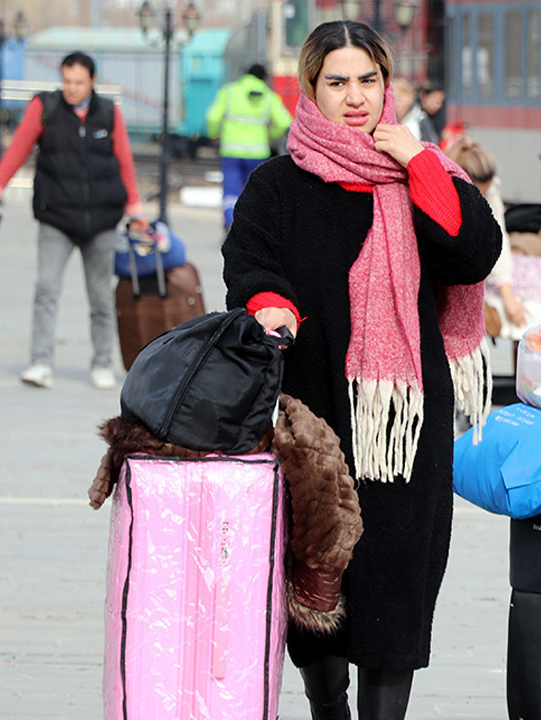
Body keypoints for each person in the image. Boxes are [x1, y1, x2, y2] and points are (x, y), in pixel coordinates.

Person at [221, 20, 501, 720]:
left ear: (388, 84)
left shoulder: (424, 172)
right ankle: (327, 705)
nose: (356, 97)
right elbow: (249, 264)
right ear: (310, 90)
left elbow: (472, 253)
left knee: (396, 592)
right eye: (337, 82)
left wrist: (420, 163)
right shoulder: (278, 184)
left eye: (368, 80)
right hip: (312, 419)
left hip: (405, 425)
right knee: (319, 594)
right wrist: (269, 305)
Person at [0, 51, 148, 391]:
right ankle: (40, 362)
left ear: (93, 82)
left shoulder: (108, 113)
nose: (72, 88)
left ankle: (102, 363)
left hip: (101, 219)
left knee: (101, 296)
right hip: (56, 217)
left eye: (79, 82)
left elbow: (124, 162)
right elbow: (18, 149)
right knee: (46, 289)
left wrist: (135, 208)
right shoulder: (45, 108)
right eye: (67, 81)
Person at [442, 135, 527, 331]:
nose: (484, 197)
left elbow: (498, 237)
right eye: (481, 191)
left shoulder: (491, 190)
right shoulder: (444, 191)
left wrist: (508, 297)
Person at [205, 62, 293, 228]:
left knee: (231, 189)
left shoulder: (230, 92)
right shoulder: (269, 96)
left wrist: (214, 135)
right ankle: (251, 226)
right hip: (258, 152)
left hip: (231, 150)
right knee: (254, 191)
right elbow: (284, 121)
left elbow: (212, 117)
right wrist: (270, 135)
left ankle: (230, 220)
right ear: (264, 78)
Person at [393, 78, 438, 145]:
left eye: (400, 97)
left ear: (410, 98)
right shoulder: (388, 120)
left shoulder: (420, 119)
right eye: (394, 98)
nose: (397, 102)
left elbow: (430, 144)